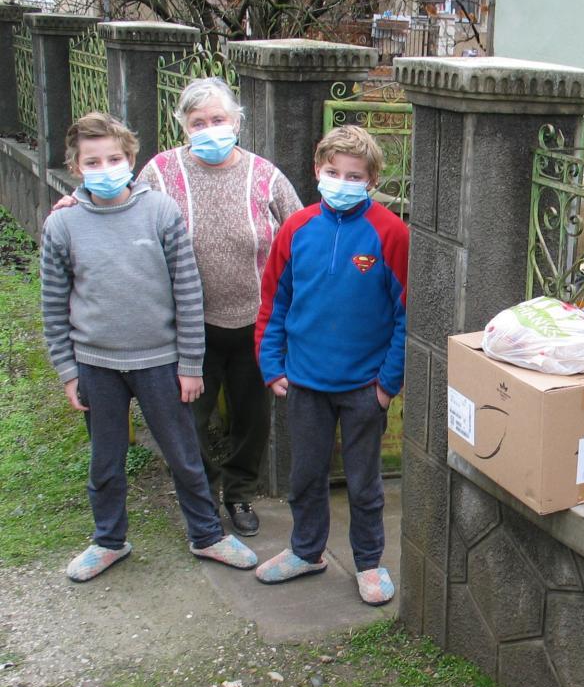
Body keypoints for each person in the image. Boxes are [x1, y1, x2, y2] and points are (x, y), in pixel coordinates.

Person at [41, 112, 258, 582]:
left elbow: (187, 291)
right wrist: (67, 370)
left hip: (161, 362)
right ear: (76, 167)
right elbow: (54, 305)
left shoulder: (160, 212)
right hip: (96, 365)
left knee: (185, 454)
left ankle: (207, 535)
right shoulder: (63, 226)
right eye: (92, 161)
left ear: (131, 159)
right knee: (105, 459)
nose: (104, 168)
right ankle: (108, 540)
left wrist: (190, 363)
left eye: (114, 158)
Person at [140, 78, 303, 536]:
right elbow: (125, 215)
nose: (210, 129)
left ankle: (239, 494)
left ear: (236, 121)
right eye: (198, 122)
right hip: (189, 328)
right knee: (188, 419)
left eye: (218, 119)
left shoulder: (264, 175)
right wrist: (79, 200)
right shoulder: (160, 172)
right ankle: (202, 495)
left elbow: (300, 231)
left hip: (256, 323)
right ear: (183, 126)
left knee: (252, 420)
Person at [254, 125, 407, 606]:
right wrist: (271, 364)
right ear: (317, 171)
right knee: (305, 476)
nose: (342, 181)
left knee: (364, 483)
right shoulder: (296, 229)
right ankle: (306, 551)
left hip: (364, 387)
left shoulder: (391, 233)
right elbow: (274, 301)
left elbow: (408, 315)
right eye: (332, 172)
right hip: (304, 382)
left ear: (372, 180)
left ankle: (368, 562)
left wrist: (386, 385)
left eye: (354, 175)